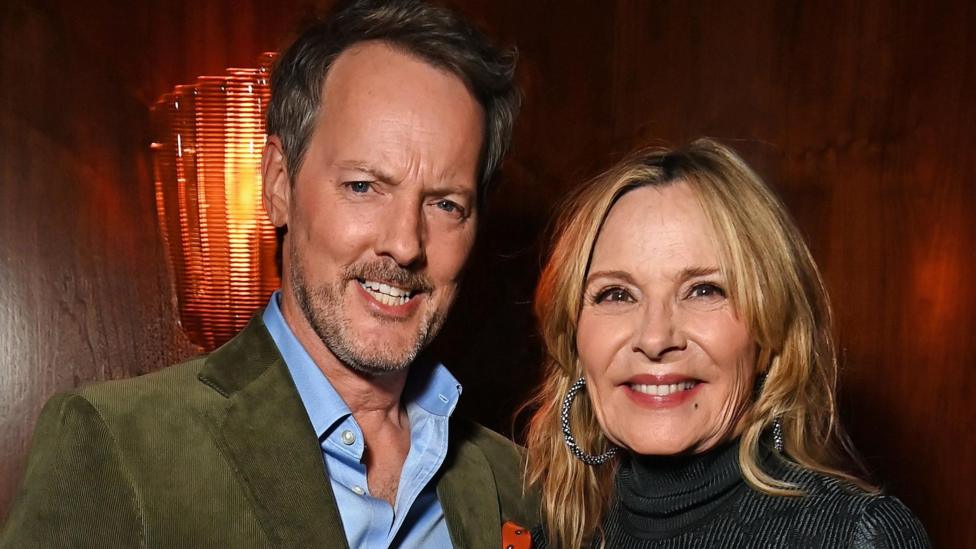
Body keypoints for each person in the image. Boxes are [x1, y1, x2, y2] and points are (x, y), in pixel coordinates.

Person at [1, 0, 537, 547]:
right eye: (363, 186)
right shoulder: (118, 447)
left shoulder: (520, 487)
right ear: (279, 183)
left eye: (446, 204)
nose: (404, 244)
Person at [524, 139, 929, 548]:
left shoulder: (855, 537)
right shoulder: (547, 542)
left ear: (769, 333)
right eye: (617, 294)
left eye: (704, 290)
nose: (655, 338)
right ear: (574, 342)